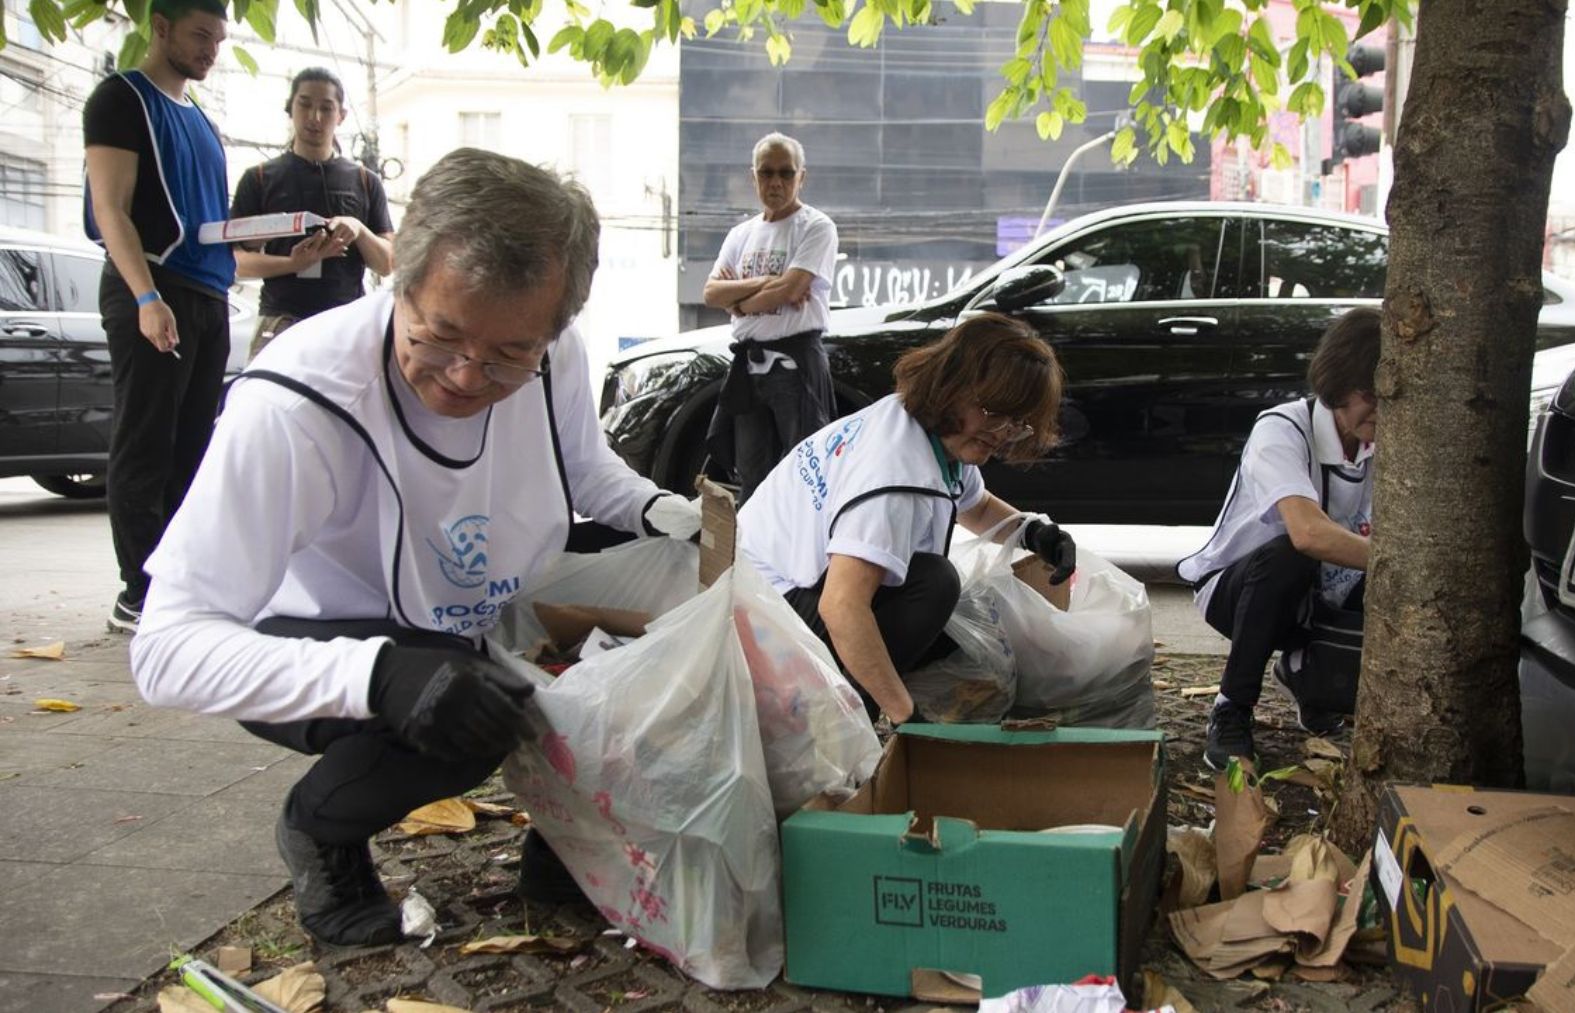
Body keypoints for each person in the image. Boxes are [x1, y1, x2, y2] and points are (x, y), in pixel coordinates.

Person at [128, 148, 703, 946]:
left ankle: (565, 853)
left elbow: (583, 465)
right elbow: (167, 648)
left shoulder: (554, 353)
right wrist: (376, 673)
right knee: (463, 703)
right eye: (440, 336)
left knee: (667, 640)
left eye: (509, 353)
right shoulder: (298, 404)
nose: (469, 376)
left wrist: (670, 516)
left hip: (473, 618)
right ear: (398, 278)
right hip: (309, 638)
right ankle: (320, 828)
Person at [736, 312, 1080, 724]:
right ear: (952, 387)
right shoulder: (895, 479)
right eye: (993, 412)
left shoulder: (928, 430)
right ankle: (836, 718)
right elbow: (842, 607)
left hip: (766, 587)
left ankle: (861, 694)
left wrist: (1034, 534)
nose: (1002, 432)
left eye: (1017, 423)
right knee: (934, 585)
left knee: (958, 621)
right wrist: (905, 714)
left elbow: (976, 504)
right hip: (760, 619)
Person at [82, 0, 236, 635]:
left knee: (194, 448)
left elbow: (211, 227)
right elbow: (111, 208)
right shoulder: (120, 98)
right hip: (149, 283)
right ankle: (136, 589)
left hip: (207, 293)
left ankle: (178, 583)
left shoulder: (200, 118)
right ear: (162, 27)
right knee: (146, 440)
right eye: (201, 35)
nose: (210, 50)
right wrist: (147, 298)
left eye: (219, 40)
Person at [1176, 307, 1380, 770]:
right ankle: (1231, 708)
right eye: (1369, 394)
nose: (1381, 409)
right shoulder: (1282, 429)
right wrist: (1397, 561)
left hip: (1321, 598)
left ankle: (1310, 677)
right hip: (1240, 592)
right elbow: (1307, 534)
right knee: (1292, 553)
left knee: (1380, 574)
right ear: (1338, 381)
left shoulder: (1382, 442)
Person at [702, 132, 839, 499]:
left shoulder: (816, 226)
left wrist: (742, 302)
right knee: (751, 474)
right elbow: (712, 292)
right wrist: (768, 282)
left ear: (801, 177)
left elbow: (792, 290)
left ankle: (803, 554)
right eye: (766, 173)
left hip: (795, 367)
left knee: (806, 471)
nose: (775, 182)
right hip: (749, 369)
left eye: (785, 173)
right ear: (754, 176)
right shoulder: (740, 234)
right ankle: (752, 554)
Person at [230, 67, 395, 356]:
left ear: (341, 115)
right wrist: (292, 263)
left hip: (347, 324)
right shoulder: (258, 178)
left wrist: (358, 228)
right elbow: (236, 262)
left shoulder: (366, 181)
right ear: (290, 109)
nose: (314, 117)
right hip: (280, 322)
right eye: (305, 104)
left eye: (326, 108)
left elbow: (388, 263)